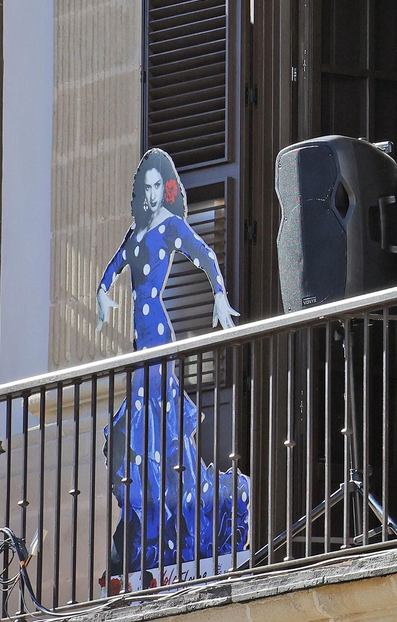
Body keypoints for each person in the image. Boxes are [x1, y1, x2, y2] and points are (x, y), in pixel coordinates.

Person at [96, 149, 250, 583]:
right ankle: (154, 523)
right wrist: (103, 294)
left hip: (159, 335)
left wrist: (219, 293)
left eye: (154, 186)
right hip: (138, 342)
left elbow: (205, 255)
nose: (148, 194)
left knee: (158, 423)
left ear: (164, 189)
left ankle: (175, 515)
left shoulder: (169, 227)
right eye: (142, 186)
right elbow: (110, 271)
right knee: (141, 432)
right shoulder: (135, 232)